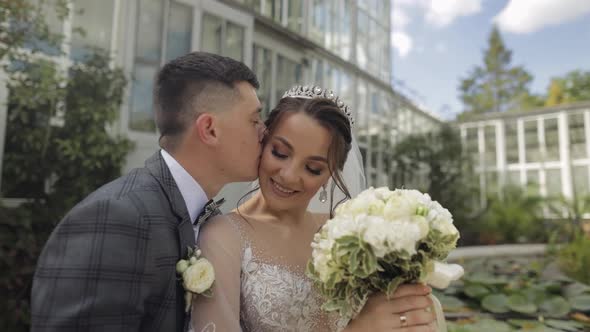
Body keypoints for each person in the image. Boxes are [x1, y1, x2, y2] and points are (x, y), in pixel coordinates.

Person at [31, 52, 266, 332]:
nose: (264, 132)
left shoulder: (200, 217)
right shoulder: (115, 219)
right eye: (254, 120)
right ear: (210, 129)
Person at [191, 86, 438, 331]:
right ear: (263, 142)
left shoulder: (345, 232)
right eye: (280, 153)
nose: (288, 176)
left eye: (313, 169)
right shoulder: (224, 236)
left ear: (331, 174)